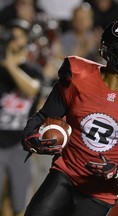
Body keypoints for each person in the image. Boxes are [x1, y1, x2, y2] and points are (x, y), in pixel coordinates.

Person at [21, 18, 118, 216]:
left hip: (101, 192)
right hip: (65, 174)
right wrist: (32, 138)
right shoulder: (78, 77)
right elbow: (43, 117)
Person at [0, 18, 43, 216]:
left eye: (18, 36)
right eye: (11, 35)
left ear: (27, 40)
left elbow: (31, 89)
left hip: (20, 144)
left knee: (19, 203)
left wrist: (10, 65)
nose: (12, 40)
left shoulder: (33, 70)